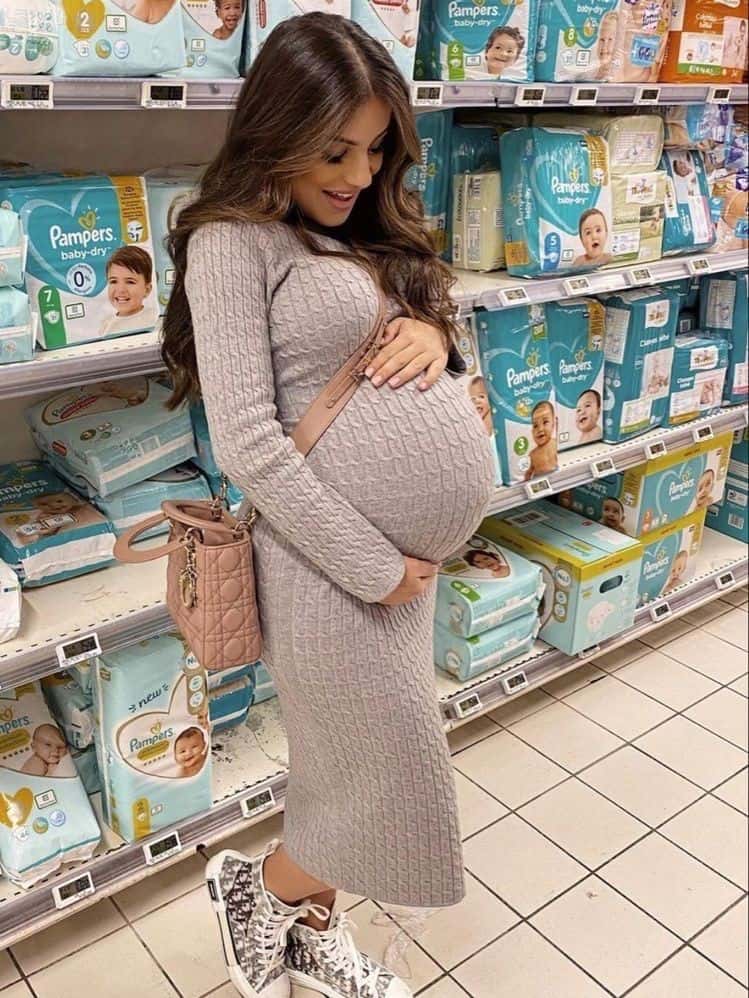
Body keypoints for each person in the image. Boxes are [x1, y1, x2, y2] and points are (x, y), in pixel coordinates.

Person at [161, 14, 496, 998]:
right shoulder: (231, 242)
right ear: (277, 131)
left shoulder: (359, 227)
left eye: (375, 147)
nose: (359, 172)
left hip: (398, 576)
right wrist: (375, 567)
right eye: (334, 149)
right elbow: (246, 441)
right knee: (389, 777)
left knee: (340, 768)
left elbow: (425, 329)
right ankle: (256, 886)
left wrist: (437, 340)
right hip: (328, 572)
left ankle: (311, 934)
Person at [100, 246, 155, 337]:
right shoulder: (106, 324)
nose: (121, 290)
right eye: (114, 281)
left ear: (147, 290)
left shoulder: (153, 319)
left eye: (130, 282)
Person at [524, 399, 558, 479]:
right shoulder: (533, 454)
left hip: (556, 476)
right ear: (532, 431)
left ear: (554, 424)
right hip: (539, 480)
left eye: (545, 422)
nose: (540, 429)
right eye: (535, 426)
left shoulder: (556, 444)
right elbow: (528, 472)